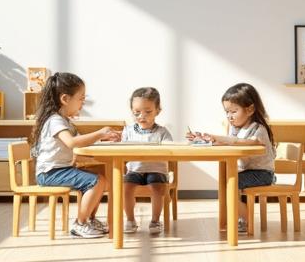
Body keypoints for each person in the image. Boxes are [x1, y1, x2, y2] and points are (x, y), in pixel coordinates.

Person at [30, 72, 119, 238]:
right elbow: (71, 143)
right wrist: (100, 133)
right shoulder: (55, 120)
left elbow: (79, 143)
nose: (83, 103)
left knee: (102, 180)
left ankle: (89, 220)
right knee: (96, 181)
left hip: (59, 170)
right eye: (81, 98)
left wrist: (103, 138)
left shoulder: (65, 121)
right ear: (65, 99)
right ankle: (80, 223)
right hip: (50, 173)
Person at [187, 82, 275, 233]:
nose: (229, 116)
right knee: (229, 182)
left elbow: (241, 143)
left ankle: (247, 219)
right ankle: (243, 219)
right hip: (249, 172)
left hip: (263, 174)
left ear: (250, 109)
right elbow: (230, 144)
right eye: (227, 112)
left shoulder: (258, 129)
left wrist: (218, 137)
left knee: (231, 185)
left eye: (233, 111)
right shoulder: (237, 129)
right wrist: (204, 139)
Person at [121, 87, 174, 235]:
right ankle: (130, 220)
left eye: (148, 112)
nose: (141, 116)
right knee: (126, 188)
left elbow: (170, 150)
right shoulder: (128, 130)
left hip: (156, 170)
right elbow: (122, 149)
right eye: (136, 112)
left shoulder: (162, 132)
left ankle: (155, 220)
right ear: (131, 110)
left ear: (158, 110)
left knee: (157, 188)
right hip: (135, 170)